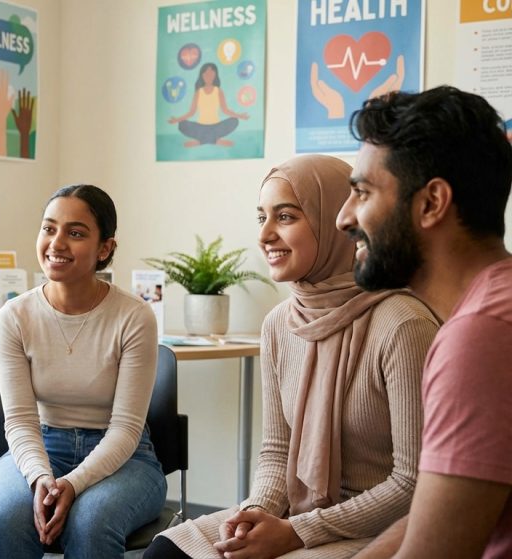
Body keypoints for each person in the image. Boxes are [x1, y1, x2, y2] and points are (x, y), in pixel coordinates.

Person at [145, 154, 440, 559]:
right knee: (165, 553)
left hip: (378, 527)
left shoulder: (403, 324)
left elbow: (414, 483)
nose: (265, 235)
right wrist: (254, 514)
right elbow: (277, 451)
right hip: (293, 516)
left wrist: (295, 533)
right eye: (261, 217)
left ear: (337, 222)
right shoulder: (278, 324)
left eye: (285, 216)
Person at [337, 87, 512, 559]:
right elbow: (441, 509)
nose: (344, 218)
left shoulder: (482, 335)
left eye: (362, 192)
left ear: (432, 202)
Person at [0, 184, 168, 558]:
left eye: (76, 233)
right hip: (40, 446)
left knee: (90, 522)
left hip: (126, 457)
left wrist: (73, 482)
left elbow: (126, 428)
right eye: (49, 229)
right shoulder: (14, 317)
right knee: (7, 517)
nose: (57, 243)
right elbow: (19, 420)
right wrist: (40, 477)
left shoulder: (134, 316)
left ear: (105, 248)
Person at [167, 62, 249, 147]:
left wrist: (239, 116)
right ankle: (215, 140)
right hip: (200, 127)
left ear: (215, 75)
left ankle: (201, 141)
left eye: (211, 74)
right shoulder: (198, 92)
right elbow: (191, 112)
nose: (208, 76)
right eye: (206, 74)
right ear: (202, 75)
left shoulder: (218, 91)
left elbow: (225, 110)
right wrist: (177, 119)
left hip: (216, 126)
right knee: (182, 124)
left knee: (234, 121)